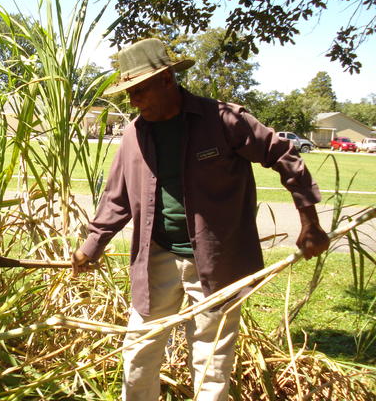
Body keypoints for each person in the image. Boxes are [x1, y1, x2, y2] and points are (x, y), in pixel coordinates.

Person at [71, 38, 330, 401]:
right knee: (138, 352)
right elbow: (117, 199)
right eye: (128, 92)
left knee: (211, 362)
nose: (133, 101)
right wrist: (91, 246)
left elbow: (284, 154)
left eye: (139, 90)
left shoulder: (223, 120)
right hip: (156, 258)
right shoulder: (134, 133)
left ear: (166, 80)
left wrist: (310, 222)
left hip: (215, 261)